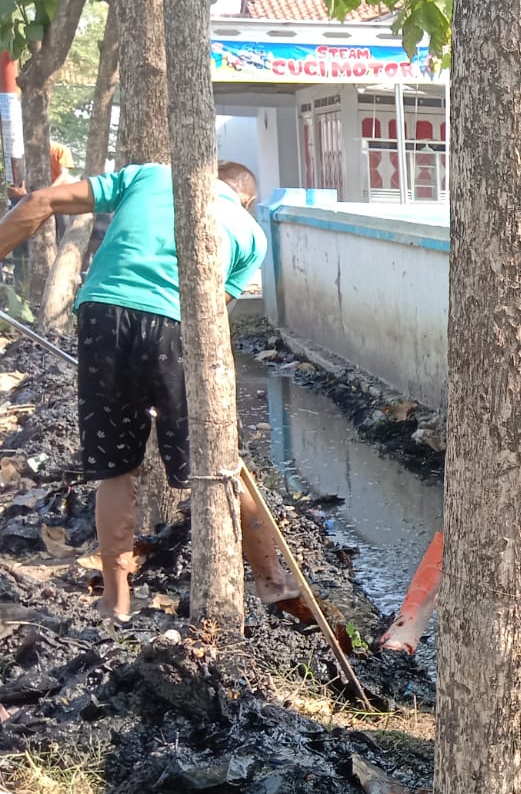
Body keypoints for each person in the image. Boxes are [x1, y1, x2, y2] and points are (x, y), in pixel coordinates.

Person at [0, 161, 304, 622]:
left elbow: (39, 201)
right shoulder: (250, 233)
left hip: (104, 315)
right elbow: (211, 313)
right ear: (247, 199)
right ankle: (272, 581)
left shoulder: (147, 175)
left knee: (117, 468)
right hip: (177, 325)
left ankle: (116, 601)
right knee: (219, 462)